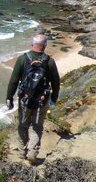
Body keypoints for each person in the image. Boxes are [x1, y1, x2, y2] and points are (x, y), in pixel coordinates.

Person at [6, 33, 60, 165]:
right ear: (45, 45)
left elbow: (14, 80)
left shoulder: (22, 59)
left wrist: (9, 97)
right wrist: (53, 98)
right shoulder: (49, 61)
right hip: (42, 100)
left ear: (32, 44)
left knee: (23, 125)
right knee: (37, 126)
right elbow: (56, 82)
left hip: (25, 100)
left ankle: (21, 151)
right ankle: (32, 152)